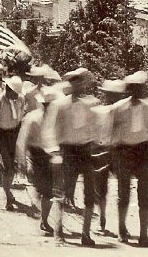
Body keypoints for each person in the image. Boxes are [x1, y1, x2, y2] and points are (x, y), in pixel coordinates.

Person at [42, 68, 99, 246]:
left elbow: (96, 127)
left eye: (80, 81)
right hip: (66, 151)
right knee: (61, 193)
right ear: (69, 84)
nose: (77, 84)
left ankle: (86, 234)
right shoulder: (60, 105)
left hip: (85, 151)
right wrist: (54, 151)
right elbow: (49, 130)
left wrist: (96, 143)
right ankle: (58, 233)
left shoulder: (91, 104)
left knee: (90, 193)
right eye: (73, 81)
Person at [109, 71, 148, 247]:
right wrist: (112, 157)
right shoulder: (118, 108)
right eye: (135, 88)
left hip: (144, 152)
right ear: (129, 89)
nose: (139, 91)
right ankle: (121, 229)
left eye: (141, 88)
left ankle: (143, 235)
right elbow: (112, 135)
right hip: (124, 152)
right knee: (123, 194)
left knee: (145, 195)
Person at [16, 85, 62, 236]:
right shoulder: (32, 118)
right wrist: (21, 161)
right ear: (43, 104)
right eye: (47, 104)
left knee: (47, 191)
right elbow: (22, 140)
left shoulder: (56, 118)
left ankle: (44, 220)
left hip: (49, 155)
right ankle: (37, 202)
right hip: (34, 154)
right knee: (37, 186)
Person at [0, 76, 26, 212]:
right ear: (7, 89)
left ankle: (8, 191)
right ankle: (8, 197)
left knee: (13, 167)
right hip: (2, 136)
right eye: (13, 92)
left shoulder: (20, 100)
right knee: (7, 167)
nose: (15, 95)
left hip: (15, 135)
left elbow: (21, 117)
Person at [92, 79, 128, 236]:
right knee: (102, 188)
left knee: (120, 188)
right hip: (104, 150)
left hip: (117, 150)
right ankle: (103, 219)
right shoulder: (99, 111)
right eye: (110, 95)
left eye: (115, 95)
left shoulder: (122, 112)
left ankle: (117, 224)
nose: (112, 98)